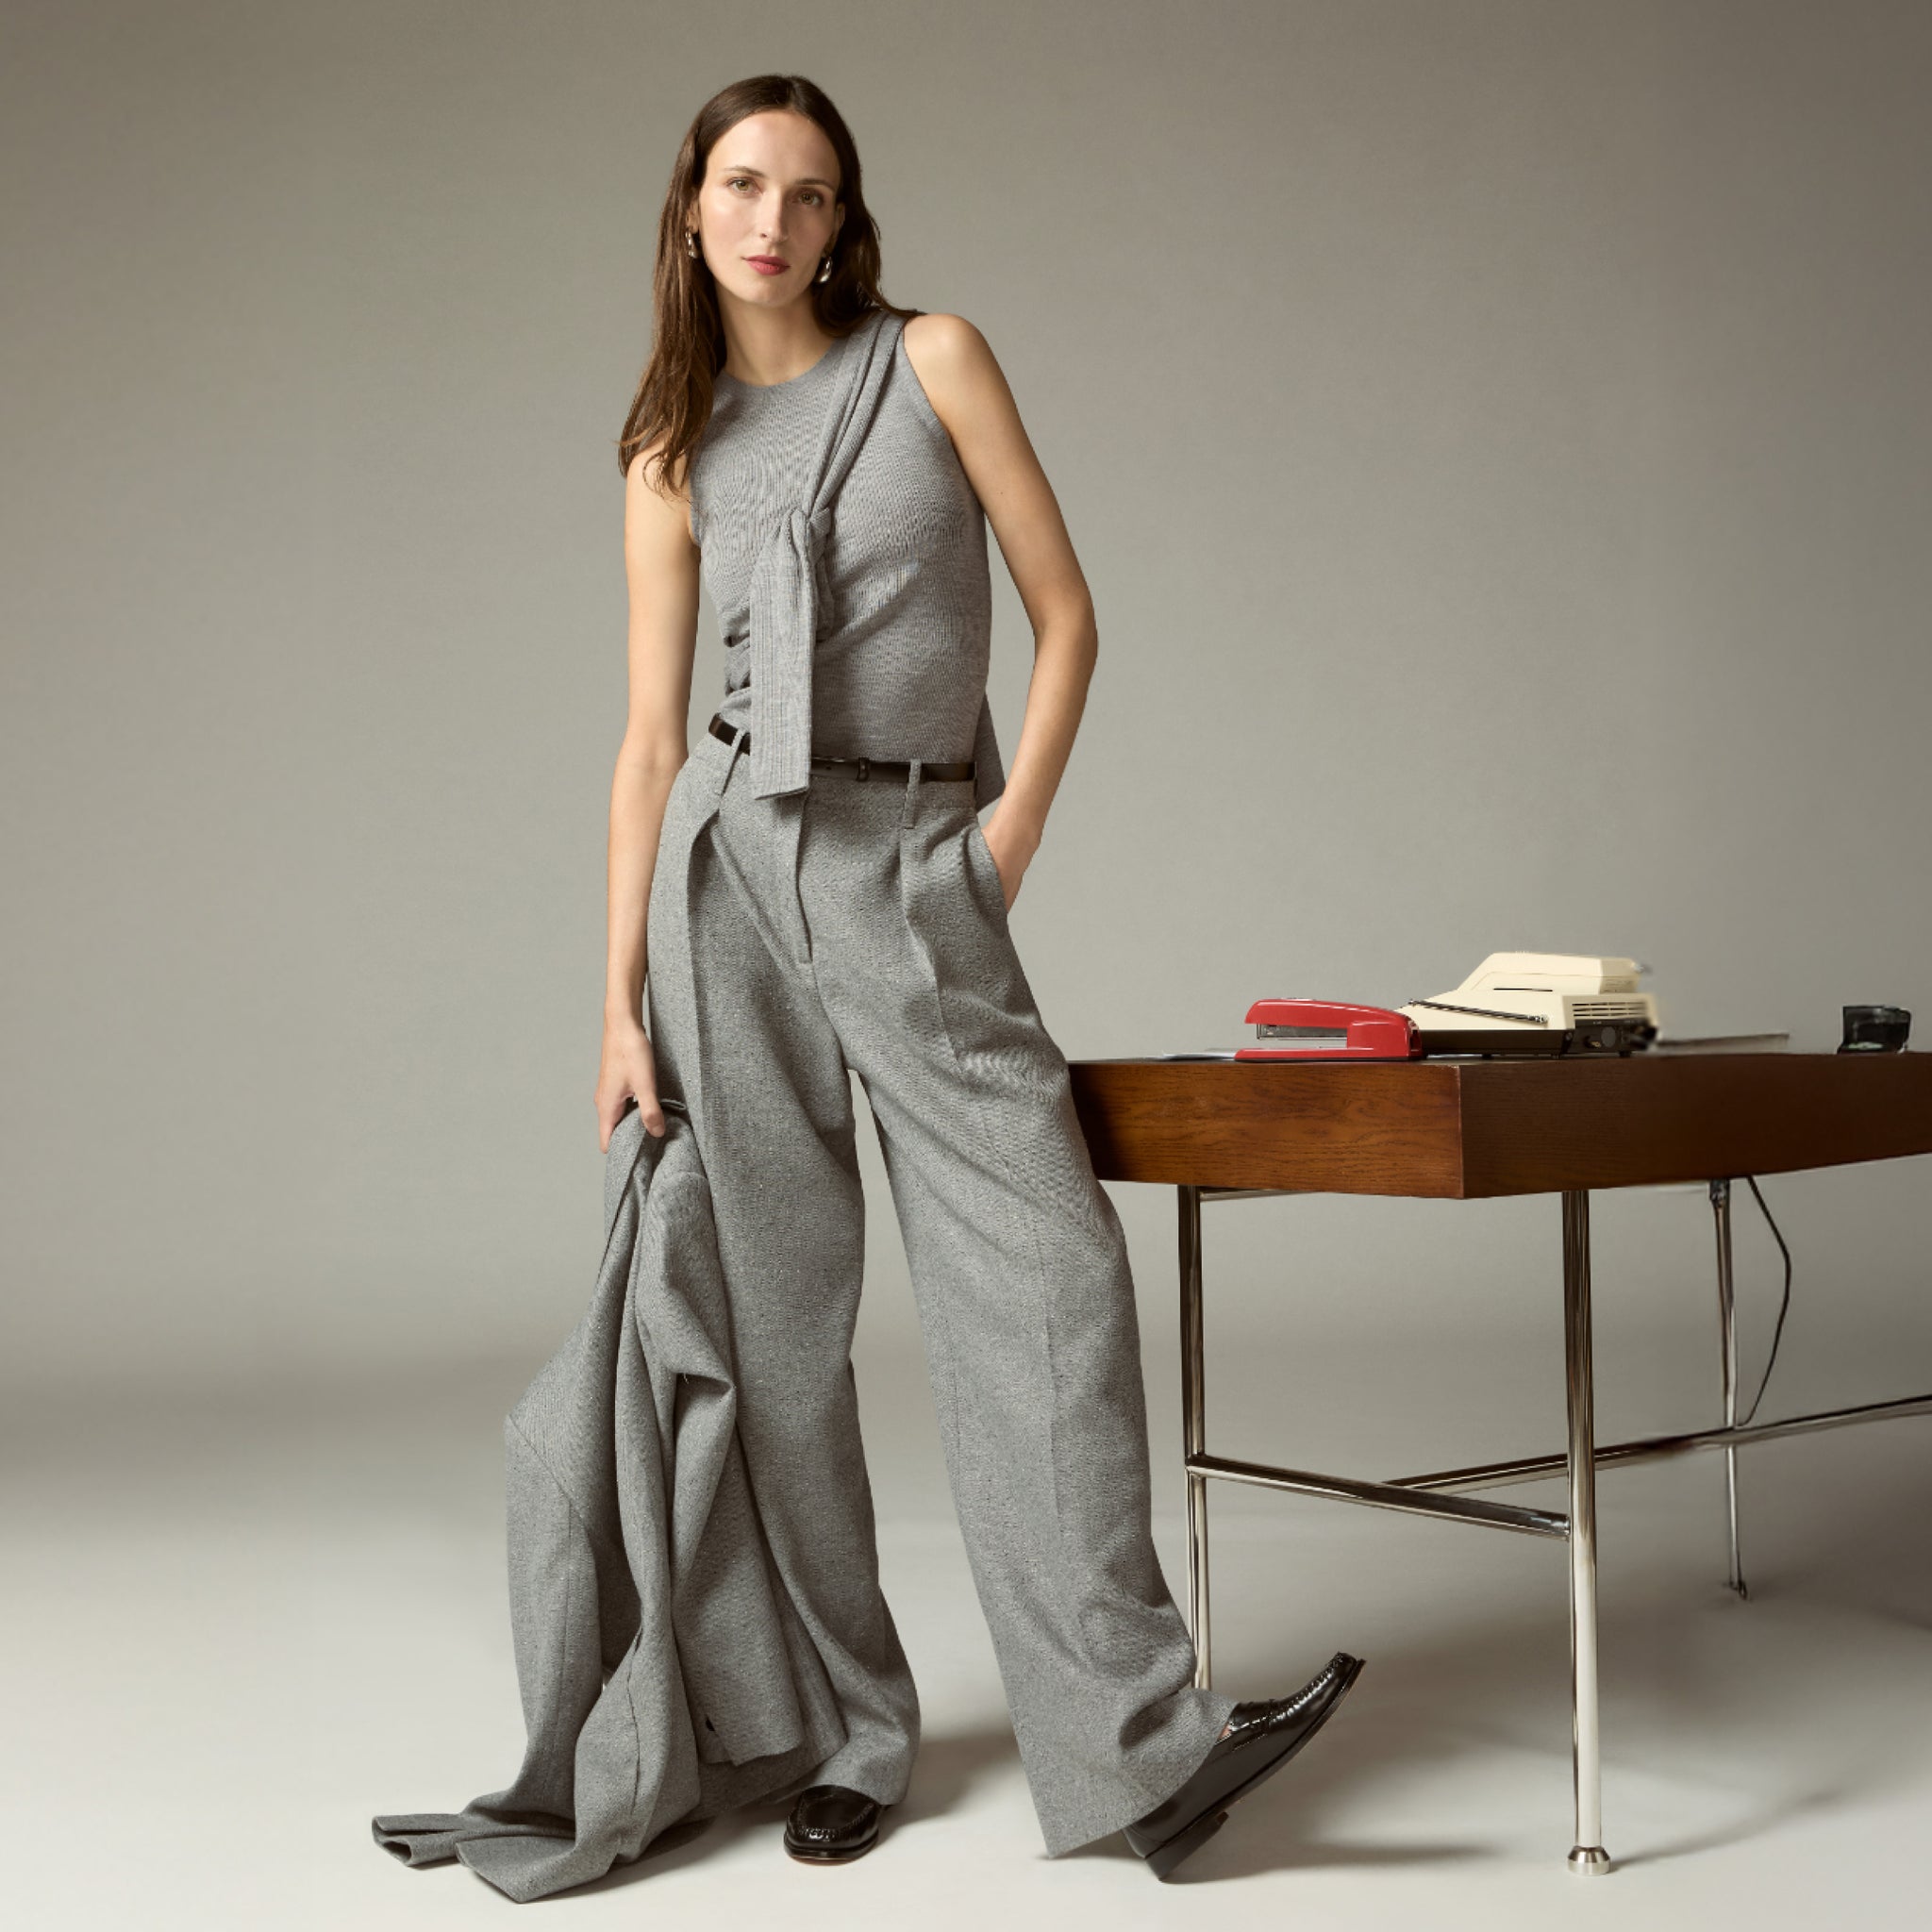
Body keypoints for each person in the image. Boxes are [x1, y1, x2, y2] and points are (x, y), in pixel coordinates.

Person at [604, 72, 1363, 1882]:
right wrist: (616, 1004)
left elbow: (1067, 607)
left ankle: (1128, 1748)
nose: (770, 218)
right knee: (781, 1339)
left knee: (1045, 1276)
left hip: (911, 858)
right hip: (723, 885)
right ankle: (850, 1732)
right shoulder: (667, 447)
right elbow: (644, 740)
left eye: (806, 190)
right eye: (739, 185)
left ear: (846, 217)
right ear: (692, 210)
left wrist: (1006, 835)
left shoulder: (931, 358)